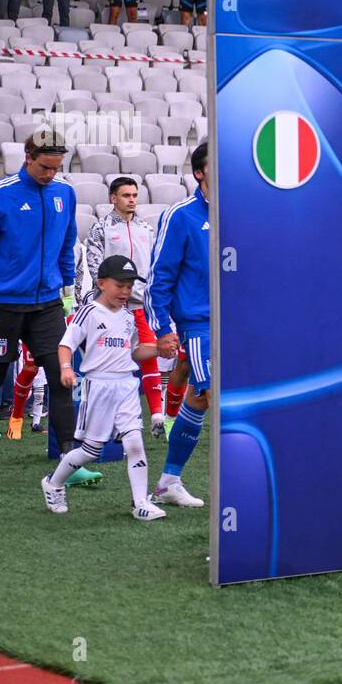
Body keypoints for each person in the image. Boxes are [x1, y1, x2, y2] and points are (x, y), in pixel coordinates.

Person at [0, 132, 81, 482]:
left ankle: (69, 463)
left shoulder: (65, 194)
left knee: (61, 377)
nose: (50, 175)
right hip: (4, 306)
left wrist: (68, 290)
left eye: (56, 168)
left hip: (47, 304)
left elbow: (67, 245)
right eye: (44, 167)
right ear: (28, 156)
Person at [41, 256, 164, 521]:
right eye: (120, 285)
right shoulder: (88, 312)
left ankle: (141, 503)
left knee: (134, 442)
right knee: (90, 450)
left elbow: (134, 352)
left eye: (130, 286)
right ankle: (53, 483)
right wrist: (65, 368)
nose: (125, 291)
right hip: (98, 386)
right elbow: (66, 344)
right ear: (101, 283)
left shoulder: (129, 317)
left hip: (127, 385)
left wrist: (158, 349)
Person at [146, 143, 211, 508]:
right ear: (199, 173)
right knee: (211, 394)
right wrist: (162, 328)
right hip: (199, 324)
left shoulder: (242, 212)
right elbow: (160, 276)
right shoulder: (181, 215)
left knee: (199, 398)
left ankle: (169, 481)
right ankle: (239, 486)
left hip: (237, 321)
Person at [78, 177, 164, 437]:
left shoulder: (146, 229)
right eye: (126, 195)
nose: (132, 200)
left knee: (149, 355)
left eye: (135, 195)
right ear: (113, 198)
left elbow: (154, 265)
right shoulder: (100, 228)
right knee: (113, 364)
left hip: (140, 304)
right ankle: (109, 423)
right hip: (112, 307)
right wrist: (104, 298)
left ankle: (158, 416)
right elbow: (94, 266)